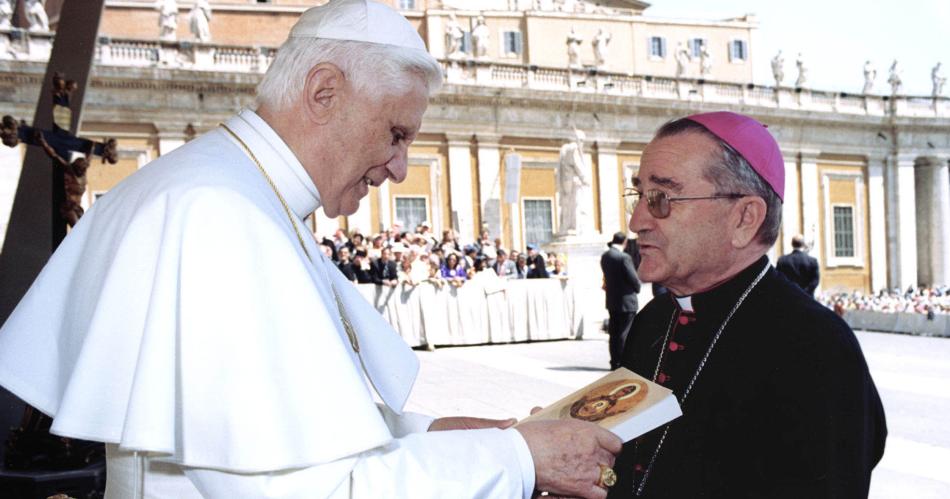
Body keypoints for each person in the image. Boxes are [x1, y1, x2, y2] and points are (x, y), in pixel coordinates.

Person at [0, 1, 621, 498]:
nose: (401, 168)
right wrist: (519, 459)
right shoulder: (224, 214)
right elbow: (311, 486)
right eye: (396, 133)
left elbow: (284, 434)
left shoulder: (229, 189)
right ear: (324, 92)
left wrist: (437, 432)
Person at [610, 111, 886, 498]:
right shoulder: (654, 320)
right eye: (639, 195)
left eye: (662, 198)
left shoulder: (816, 346)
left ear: (744, 218)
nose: (638, 219)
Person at [600, 232, 641, 370]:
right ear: (624, 242)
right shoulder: (624, 257)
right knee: (625, 332)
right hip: (627, 300)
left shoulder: (605, 256)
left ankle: (614, 362)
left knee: (614, 333)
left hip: (612, 299)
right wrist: (637, 288)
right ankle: (624, 363)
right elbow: (633, 278)